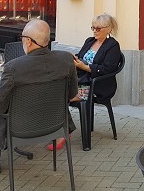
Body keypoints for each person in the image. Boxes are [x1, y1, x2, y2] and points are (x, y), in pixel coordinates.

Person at [0, 19, 78, 174]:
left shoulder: (13, 67)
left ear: (28, 41)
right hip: (54, 124)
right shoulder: (66, 60)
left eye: (22, 38)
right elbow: (72, 94)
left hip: (21, 127)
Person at [46, 13, 122, 151]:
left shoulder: (113, 46)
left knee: (61, 96)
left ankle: (64, 132)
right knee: (56, 93)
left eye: (98, 28)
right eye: (93, 27)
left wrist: (85, 67)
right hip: (81, 80)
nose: (94, 31)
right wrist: (75, 59)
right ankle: (63, 130)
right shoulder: (89, 41)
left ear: (109, 29)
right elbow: (81, 57)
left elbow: (107, 69)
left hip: (98, 85)